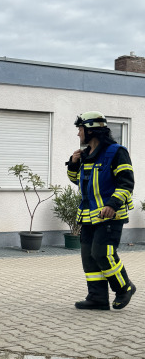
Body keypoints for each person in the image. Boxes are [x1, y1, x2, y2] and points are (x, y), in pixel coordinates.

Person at [67, 112, 135, 311]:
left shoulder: (117, 152)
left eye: (80, 129)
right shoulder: (86, 154)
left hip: (110, 215)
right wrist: (73, 164)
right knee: (88, 257)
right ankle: (97, 298)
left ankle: (124, 287)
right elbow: (79, 181)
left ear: (91, 130)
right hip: (88, 216)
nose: (78, 134)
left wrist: (112, 205)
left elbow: (126, 183)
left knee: (102, 253)